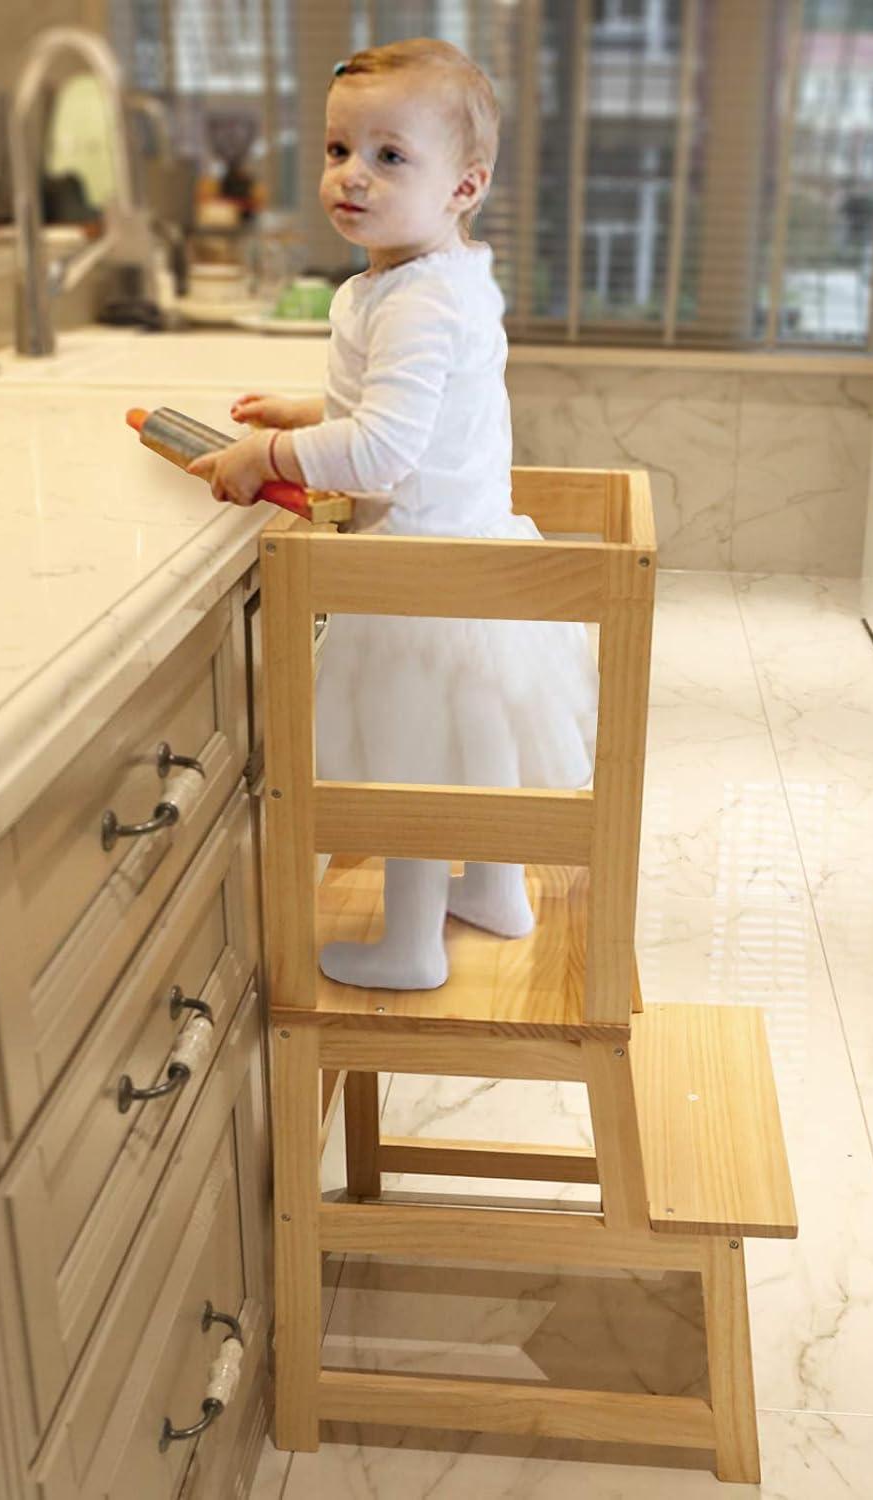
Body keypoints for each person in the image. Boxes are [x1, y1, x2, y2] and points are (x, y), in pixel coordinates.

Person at [187, 38, 598, 991]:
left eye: (390, 156)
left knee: (412, 773)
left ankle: (411, 945)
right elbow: (414, 409)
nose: (352, 177)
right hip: (471, 560)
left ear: (465, 185)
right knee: (467, 747)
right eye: (339, 150)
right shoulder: (438, 278)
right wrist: (308, 414)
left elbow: (381, 452)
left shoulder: (411, 301)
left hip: (417, 577)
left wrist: (269, 457)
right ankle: (495, 891)